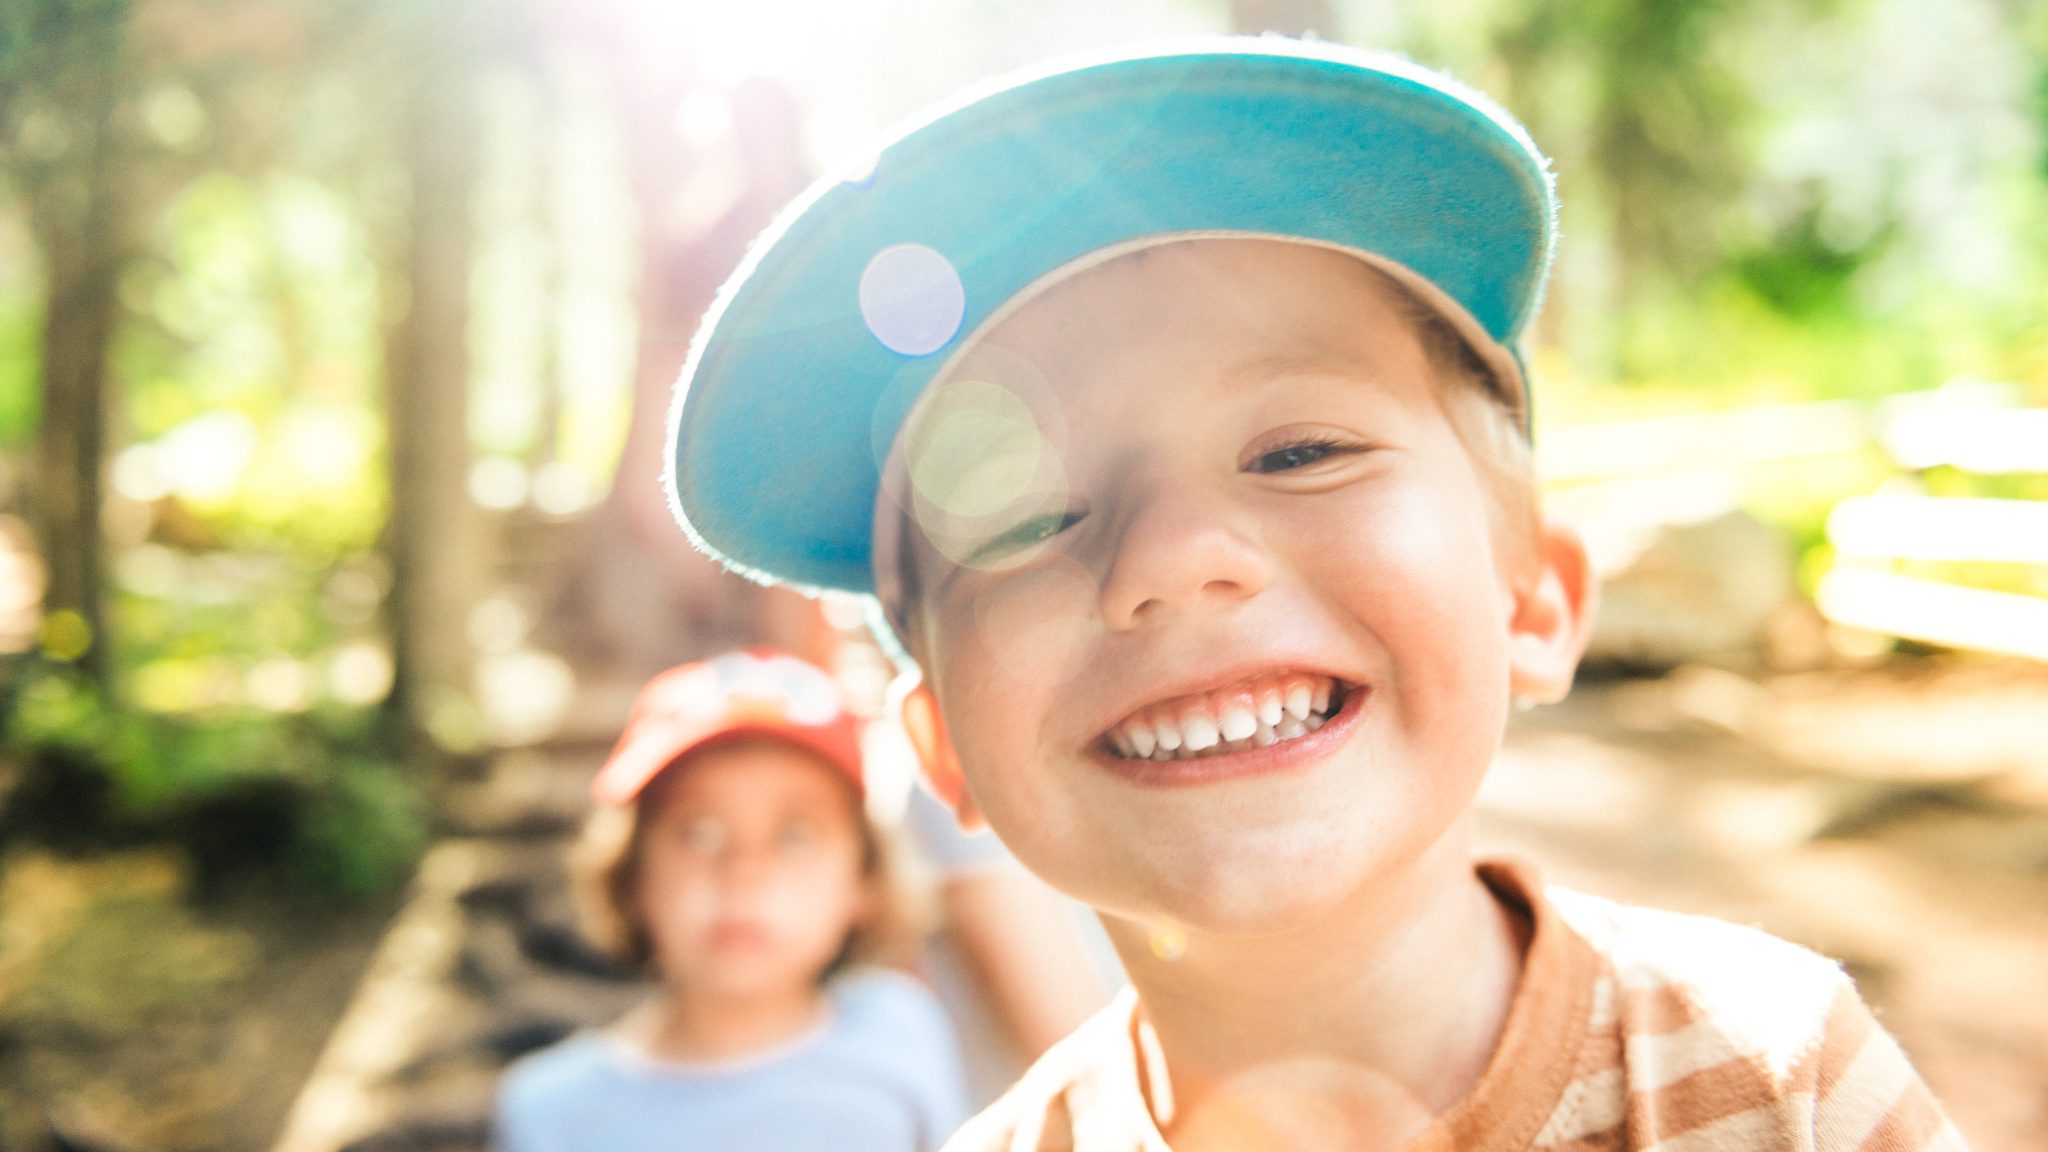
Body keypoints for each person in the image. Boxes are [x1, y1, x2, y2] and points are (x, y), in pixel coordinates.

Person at [660, 38, 1965, 1152]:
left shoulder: (1776, 1080)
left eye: (1300, 451)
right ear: (943, 753)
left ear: (1534, 600)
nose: (1171, 555)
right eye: (1029, 522)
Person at [493, 649, 968, 1152]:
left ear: (864, 880)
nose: (743, 872)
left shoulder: (900, 1028)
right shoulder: (550, 1111)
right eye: (699, 832)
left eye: (794, 835)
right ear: (631, 875)